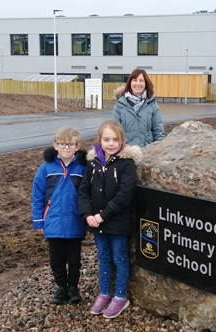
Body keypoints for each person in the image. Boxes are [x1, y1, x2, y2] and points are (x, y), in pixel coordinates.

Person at [78, 119, 142, 319]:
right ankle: (104, 293)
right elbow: (83, 190)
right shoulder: (93, 163)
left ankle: (121, 296)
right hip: (97, 223)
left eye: (115, 139)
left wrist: (102, 215)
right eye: (107, 139)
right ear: (100, 140)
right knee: (103, 258)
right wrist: (87, 215)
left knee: (119, 258)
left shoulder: (126, 164)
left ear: (122, 141)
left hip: (117, 222)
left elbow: (124, 195)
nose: (111, 143)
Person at [31, 127, 87, 305]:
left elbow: (88, 195)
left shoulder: (82, 168)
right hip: (53, 222)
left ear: (77, 146)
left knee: (74, 259)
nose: (66, 147)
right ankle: (61, 287)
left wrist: (87, 220)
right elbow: (38, 196)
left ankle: (73, 287)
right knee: (56, 260)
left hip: (75, 222)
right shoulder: (46, 168)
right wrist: (39, 221)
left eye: (70, 144)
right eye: (62, 144)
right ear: (55, 145)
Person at [112, 68, 165, 147]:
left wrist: (159, 149)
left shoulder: (152, 105)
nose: (138, 83)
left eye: (141, 80)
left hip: (148, 151)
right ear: (130, 82)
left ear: (146, 83)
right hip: (126, 153)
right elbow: (114, 131)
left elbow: (158, 131)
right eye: (135, 80)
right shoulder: (120, 105)